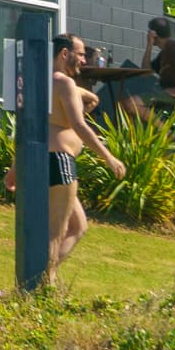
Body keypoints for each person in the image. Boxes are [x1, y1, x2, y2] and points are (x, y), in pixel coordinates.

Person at [35, 32, 125, 284]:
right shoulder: (64, 84)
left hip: (40, 160)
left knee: (78, 226)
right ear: (65, 54)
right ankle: (39, 283)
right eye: (81, 54)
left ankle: (44, 278)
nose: (85, 60)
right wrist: (108, 157)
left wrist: (89, 97)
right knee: (57, 230)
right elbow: (79, 125)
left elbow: (32, 125)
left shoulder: (42, 82)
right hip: (60, 162)